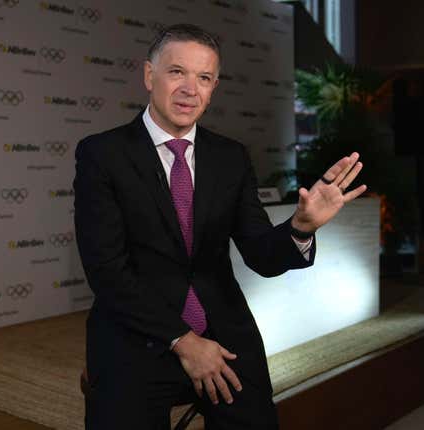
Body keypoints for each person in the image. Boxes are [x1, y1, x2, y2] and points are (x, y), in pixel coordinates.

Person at [73, 23, 366, 430]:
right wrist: (185, 342)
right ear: (148, 75)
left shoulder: (230, 157)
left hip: (223, 333)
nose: (190, 89)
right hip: (136, 333)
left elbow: (261, 253)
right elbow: (107, 272)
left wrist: (300, 226)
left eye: (204, 78)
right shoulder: (102, 154)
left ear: (213, 88)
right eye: (177, 72)